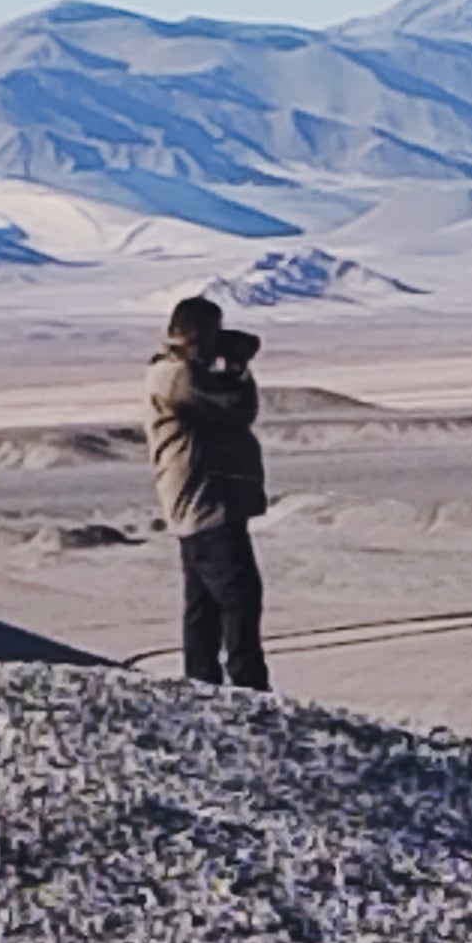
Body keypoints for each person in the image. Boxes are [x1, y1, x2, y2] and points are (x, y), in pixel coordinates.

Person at [145, 295, 270, 690]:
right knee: (239, 596)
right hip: (206, 505)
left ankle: (202, 688)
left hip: (202, 504)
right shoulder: (177, 376)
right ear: (199, 336)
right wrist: (237, 367)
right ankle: (248, 689)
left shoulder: (174, 372)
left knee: (204, 607)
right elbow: (236, 408)